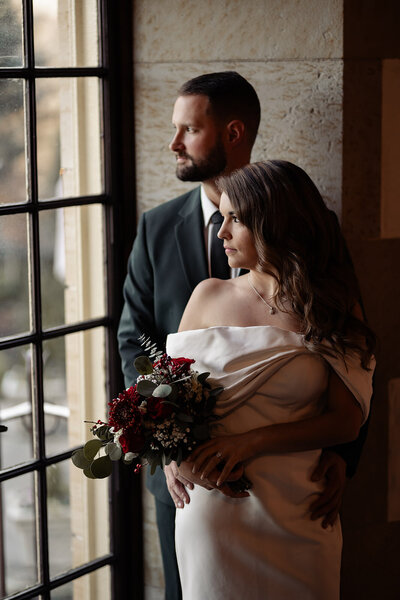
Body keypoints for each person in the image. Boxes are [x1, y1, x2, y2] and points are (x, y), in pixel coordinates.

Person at [117, 72, 369, 600]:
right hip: (191, 488)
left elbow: (348, 364)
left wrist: (343, 456)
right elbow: (137, 344)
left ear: (233, 132)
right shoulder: (157, 228)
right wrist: (169, 450)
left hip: (298, 493)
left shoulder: (314, 233)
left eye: (189, 129)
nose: (174, 143)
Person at [165, 160, 375, 600]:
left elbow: (345, 421)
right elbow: (165, 399)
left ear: (275, 222)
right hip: (214, 513)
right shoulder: (208, 295)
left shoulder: (332, 306)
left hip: (301, 508)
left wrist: (251, 442)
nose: (221, 232)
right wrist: (170, 457)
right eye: (221, 217)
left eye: (235, 219)